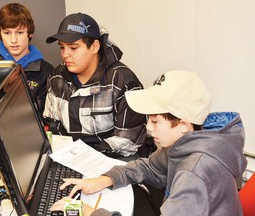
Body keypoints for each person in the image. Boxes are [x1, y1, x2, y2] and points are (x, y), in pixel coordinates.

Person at [50, 70, 247, 216]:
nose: (148, 128)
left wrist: (90, 212)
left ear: (184, 125)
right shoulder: (189, 141)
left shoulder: (194, 173)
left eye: (154, 121)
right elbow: (150, 168)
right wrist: (105, 179)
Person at [43, 12, 147, 159]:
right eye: (62, 47)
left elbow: (129, 140)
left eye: (73, 48)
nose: (65, 54)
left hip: (115, 159)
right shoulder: (56, 78)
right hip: (71, 158)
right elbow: (52, 125)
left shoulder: (123, 80)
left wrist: (85, 155)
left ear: (95, 47)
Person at [0, 3, 54, 117]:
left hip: (27, 132)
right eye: (7, 33)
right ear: (0, 33)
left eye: (19, 32)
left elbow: (46, 118)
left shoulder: (46, 71)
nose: (13, 40)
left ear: (30, 33)